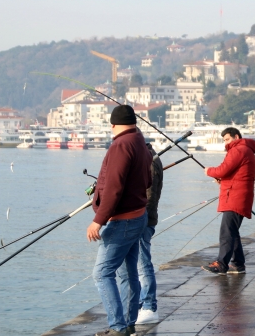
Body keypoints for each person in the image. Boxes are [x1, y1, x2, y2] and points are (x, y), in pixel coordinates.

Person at [89, 105, 152, 336]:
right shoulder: (140, 141)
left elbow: (114, 188)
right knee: (127, 273)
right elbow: (147, 181)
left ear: (113, 124)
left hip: (123, 221)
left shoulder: (120, 145)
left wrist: (98, 220)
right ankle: (127, 323)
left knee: (102, 273)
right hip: (139, 216)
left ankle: (117, 327)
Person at [117, 142, 163, 326]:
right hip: (142, 218)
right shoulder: (149, 158)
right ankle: (139, 303)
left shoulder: (149, 161)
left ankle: (149, 306)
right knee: (137, 263)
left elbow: (149, 196)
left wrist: (139, 218)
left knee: (143, 263)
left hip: (142, 220)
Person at [202, 127, 255, 275]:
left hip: (235, 196)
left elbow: (223, 169)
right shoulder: (246, 150)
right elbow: (235, 174)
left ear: (236, 136)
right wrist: (223, 180)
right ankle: (238, 263)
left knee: (226, 232)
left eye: (227, 139)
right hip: (238, 194)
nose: (226, 143)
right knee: (232, 231)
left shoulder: (238, 150)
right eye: (224, 140)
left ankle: (221, 264)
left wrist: (210, 171)